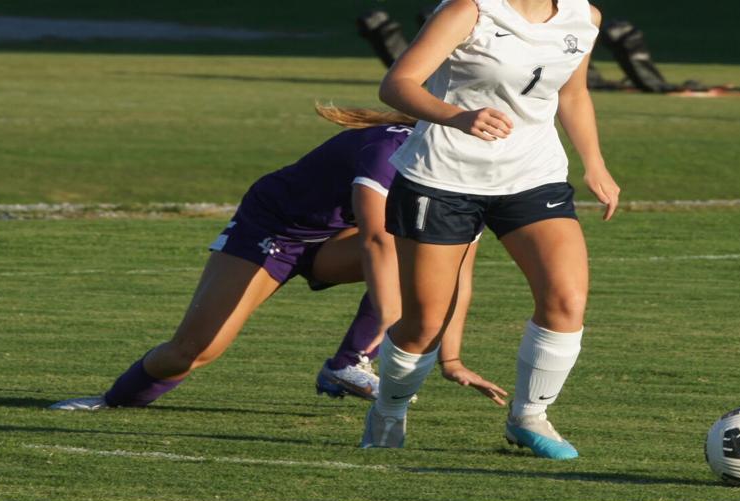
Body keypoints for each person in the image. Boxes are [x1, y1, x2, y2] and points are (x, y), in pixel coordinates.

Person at [49, 104, 507, 412]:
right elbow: (375, 241)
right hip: (272, 230)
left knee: (427, 259)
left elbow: (456, 269)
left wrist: (452, 360)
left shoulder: (465, 178)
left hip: (332, 238)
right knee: (194, 351)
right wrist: (390, 315)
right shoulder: (391, 147)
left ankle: (346, 364)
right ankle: (114, 400)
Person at [363, 0, 620, 457]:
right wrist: (458, 116)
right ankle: (389, 409)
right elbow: (397, 84)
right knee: (426, 324)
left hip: (533, 176)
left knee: (566, 299)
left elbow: (573, 92)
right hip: (440, 179)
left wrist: (594, 164)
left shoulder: (585, 16)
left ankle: (529, 416)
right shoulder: (469, 9)